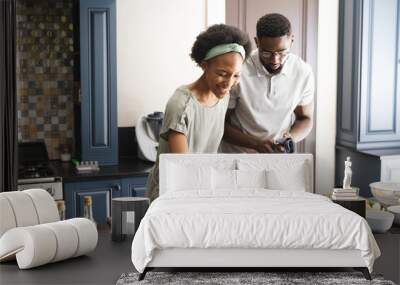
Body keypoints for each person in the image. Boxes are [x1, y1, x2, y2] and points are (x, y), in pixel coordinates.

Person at [146, 24, 251, 202]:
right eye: (222, 73)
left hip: (201, 191)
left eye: (236, 75)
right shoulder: (181, 104)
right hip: (171, 195)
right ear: (205, 65)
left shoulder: (223, 96)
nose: (229, 83)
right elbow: (184, 167)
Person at [220, 13, 315, 153]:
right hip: (238, 157)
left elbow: (305, 118)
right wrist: (256, 144)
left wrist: (290, 139)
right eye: (266, 53)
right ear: (257, 42)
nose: (275, 60)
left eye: (282, 52)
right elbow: (220, 124)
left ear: (291, 41)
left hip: (278, 156)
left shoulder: (303, 72)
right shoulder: (239, 69)